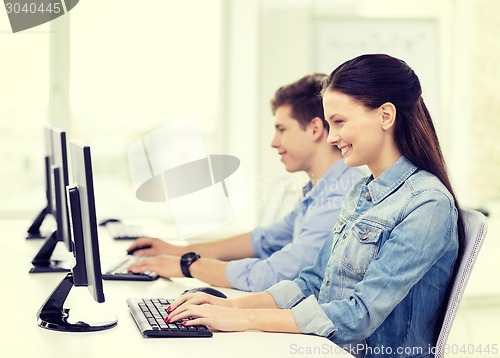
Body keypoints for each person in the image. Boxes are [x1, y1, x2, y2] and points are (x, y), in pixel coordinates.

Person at [164, 54, 465, 358]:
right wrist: (230, 306)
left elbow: (358, 316)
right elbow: (313, 280)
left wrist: (241, 318)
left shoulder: (427, 204)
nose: (331, 137)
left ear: (385, 116)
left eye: (339, 122)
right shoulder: (362, 192)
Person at [127, 73, 364, 292]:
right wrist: (176, 251)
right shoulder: (319, 190)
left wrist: (186, 265)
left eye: (282, 129)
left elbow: (273, 274)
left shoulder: (340, 197)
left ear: (314, 129)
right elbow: (262, 240)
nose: (273, 142)